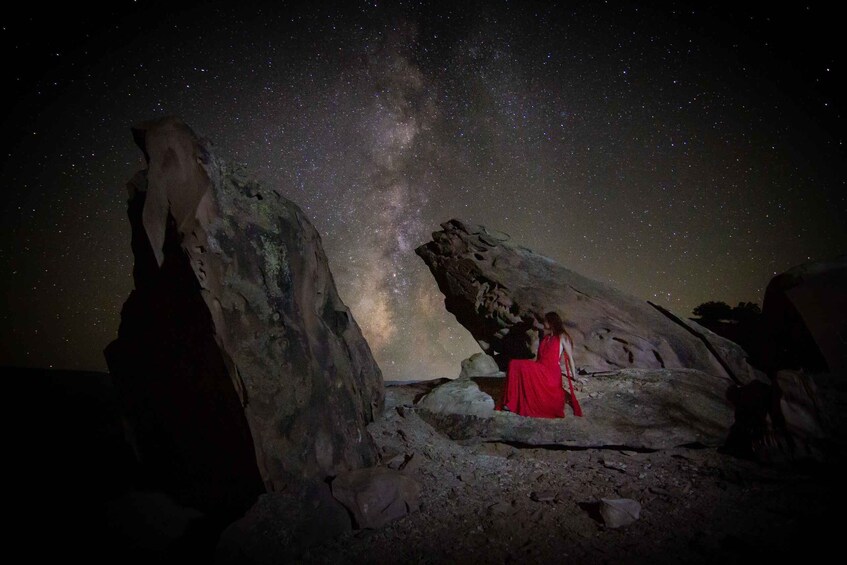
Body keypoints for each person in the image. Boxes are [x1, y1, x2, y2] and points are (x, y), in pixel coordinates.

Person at [498, 311, 583, 418]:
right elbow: (540, 358)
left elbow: (570, 358)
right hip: (541, 369)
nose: (544, 323)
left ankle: (511, 403)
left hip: (550, 373)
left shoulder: (562, 336)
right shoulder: (547, 337)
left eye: (546, 321)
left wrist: (574, 376)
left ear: (551, 322)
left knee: (516, 364)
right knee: (514, 364)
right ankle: (511, 402)